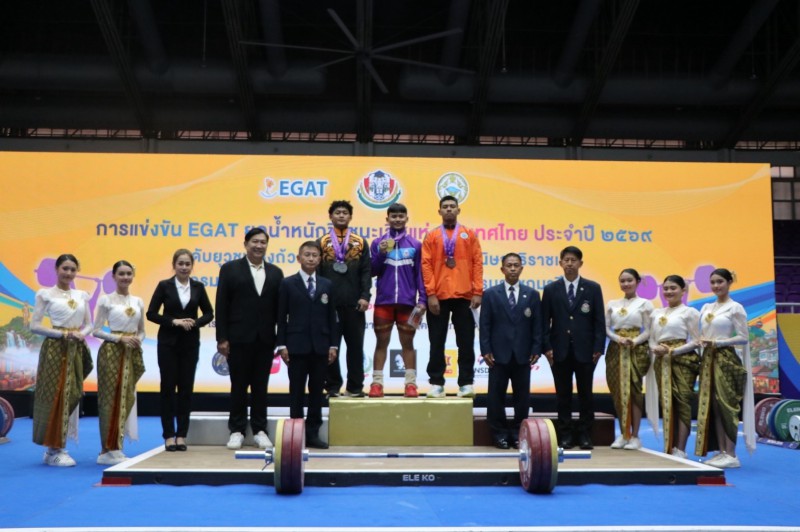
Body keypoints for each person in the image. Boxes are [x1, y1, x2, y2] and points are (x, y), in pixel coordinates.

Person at [216, 228, 284, 450]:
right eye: (255, 241)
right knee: (238, 386)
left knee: (260, 387)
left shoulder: (275, 272)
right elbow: (221, 304)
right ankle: (236, 430)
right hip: (238, 338)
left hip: (265, 339)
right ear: (245, 244)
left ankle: (259, 430)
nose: (259, 246)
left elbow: (280, 311)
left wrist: (281, 339)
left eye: (263, 242)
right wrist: (222, 338)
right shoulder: (230, 269)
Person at [146, 249, 214, 452]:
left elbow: (209, 313)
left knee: (186, 389)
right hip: (168, 344)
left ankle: (182, 435)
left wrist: (195, 322)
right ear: (174, 265)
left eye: (187, 264)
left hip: (190, 344)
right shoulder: (164, 286)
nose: (184, 267)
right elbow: (151, 314)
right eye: (180, 263)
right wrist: (173, 321)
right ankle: (168, 435)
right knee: (167, 388)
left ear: (192, 266)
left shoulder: (198, 287)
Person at [29, 254, 93, 467]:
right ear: (57, 269)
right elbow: (34, 326)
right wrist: (62, 334)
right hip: (55, 350)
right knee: (54, 395)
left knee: (73, 393)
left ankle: (58, 446)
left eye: (73, 269)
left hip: (75, 349)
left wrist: (82, 334)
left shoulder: (82, 295)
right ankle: (54, 449)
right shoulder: (45, 294)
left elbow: (89, 324)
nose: (69, 273)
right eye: (65, 268)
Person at [276, 241, 341, 449]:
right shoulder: (288, 284)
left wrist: (333, 345)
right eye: (307, 255)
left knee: (316, 391)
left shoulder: (327, 285)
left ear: (320, 259)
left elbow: (332, 318)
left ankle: (313, 434)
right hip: (295, 346)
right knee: (296, 391)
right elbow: (281, 317)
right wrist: (281, 345)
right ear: (299, 258)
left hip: (321, 346)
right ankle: (296, 435)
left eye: (314, 255)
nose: (311, 258)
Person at [541, 246, 605, 450]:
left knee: (586, 394)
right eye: (566, 260)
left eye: (573, 260)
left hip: (586, 351)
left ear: (580, 263)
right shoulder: (551, 289)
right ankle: (566, 435)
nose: (569, 263)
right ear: (560, 263)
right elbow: (544, 322)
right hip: (558, 350)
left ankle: (585, 434)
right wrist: (546, 348)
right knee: (563, 395)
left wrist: (598, 347)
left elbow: (599, 321)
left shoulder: (593, 288)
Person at [421, 195, 483, 398]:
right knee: (436, 341)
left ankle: (466, 383)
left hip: (464, 296)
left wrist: (477, 291)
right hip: (438, 297)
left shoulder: (469, 234)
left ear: (458, 210)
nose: (448, 209)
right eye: (445, 207)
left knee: (465, 342)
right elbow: (426, 266)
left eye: (452, 206)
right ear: (439, 211)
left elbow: (477, 263)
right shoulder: (431, 236)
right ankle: (436, 383)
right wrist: (430, 294)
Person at [479, 253, 542, 449]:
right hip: (497, 354)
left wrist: (536, 348)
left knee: (522, 398)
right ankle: (499, 434)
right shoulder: (491, 294)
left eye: (516, 265)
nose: (513, 268)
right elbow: (485, 324)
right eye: (509, 265)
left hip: (523, 354)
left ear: (522, 268)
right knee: (495, 397)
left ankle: (518, 433)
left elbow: (537, 324)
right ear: (502, 269)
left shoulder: (532, 294)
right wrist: (485, 349)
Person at [695, 268, 755, 468]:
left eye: (720, 281)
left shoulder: (735, 308)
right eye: (713, 282)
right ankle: (721, 451)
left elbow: (744, 338)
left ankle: (731, 453)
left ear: (730, 282)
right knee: (714, 406)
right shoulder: (706, 307)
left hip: (726, 358)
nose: (716, 286)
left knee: (727, 405)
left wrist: (717, 343)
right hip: (708, 359)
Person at [368, 202, 426, 398]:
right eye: (394, 216)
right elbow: (372, 271)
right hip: (383, 303)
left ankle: (411, 384)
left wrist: (423, 299)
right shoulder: (378, 243)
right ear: (387, 219)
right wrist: (380, 254)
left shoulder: (416, 245)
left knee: (407, 344)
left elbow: (420, 275)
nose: (397, 219)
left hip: (407, 303)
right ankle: (377, 384)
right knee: (381, 343)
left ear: (407, 219)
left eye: (401, 216)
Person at [92, 260, 146, 465]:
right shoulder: (106, 300)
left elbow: (142, 331)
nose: (125, 277)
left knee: (126, 398)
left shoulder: (138, 301)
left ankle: (117, 447)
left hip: (130, 353)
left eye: (128, 274)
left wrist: (137, 340)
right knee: (109, 400)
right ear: (113, 276)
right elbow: (96, 330)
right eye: (121, 274)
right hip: (110, 353)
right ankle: (106, 450)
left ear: (133, 276)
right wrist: (119, 338)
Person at [317, 200, 371, 398]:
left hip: (354, 304)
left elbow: (366, 272)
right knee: (330, 347)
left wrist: (365, 296)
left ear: (350, 217)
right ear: (330, 216)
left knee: (356, 347)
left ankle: (355, 387)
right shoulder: (321, 242)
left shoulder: (360, 242)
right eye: (337, 212)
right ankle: (332, 386)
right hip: (328, 305)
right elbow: (317, 272)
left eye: (345, 212)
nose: (341, 215)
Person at [647, 274, 700, 458]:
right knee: (667, 403)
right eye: (666, 288)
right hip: (662, 362)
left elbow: (696, 340)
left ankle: (681, 449)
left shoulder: (689, 312)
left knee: (682, 402)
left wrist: (672, 351)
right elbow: (651, 339)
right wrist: (655, 349)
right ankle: (669, 447)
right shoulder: (656, 313)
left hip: (683, 360)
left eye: (673, 288)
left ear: (683, 291)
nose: (669, 292)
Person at [604, 268, 655, 451]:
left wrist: (635, 341)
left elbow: (649, 330)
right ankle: (623, 433)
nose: (626, 284)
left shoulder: (645, 304)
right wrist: (618, 338)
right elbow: (606, 328)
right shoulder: (612, 304)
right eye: (622, 281)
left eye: (629, 280)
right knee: (618, 392)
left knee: (634, 392)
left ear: (637, 282)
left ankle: (635, 436)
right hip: (616, 350)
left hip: (636, 350)